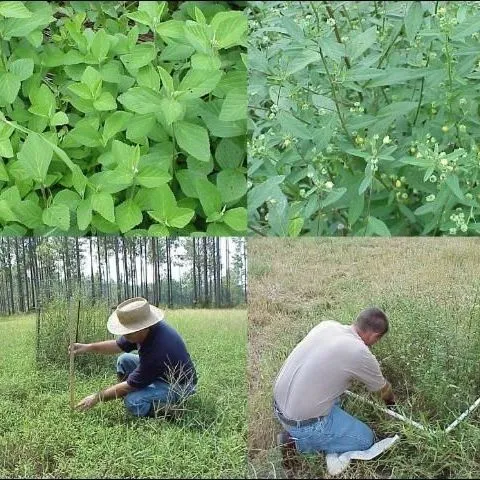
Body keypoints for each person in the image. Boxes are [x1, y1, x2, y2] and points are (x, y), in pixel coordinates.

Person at [273, 307, 395, 468]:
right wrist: (393, 408)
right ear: (375, 336)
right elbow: (384, 389)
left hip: (277, 405)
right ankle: (294, 443)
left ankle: (303, 433)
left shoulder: (327, 326)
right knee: (366, 439)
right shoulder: (360, 352)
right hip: (302, 424)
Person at [69, 297, 197, 417]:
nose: (124, 336)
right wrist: (87, 347)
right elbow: (117, 345)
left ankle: (173, 410)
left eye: (127, 332)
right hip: (161, 373)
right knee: (124, 359)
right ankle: (129, 394)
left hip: (180, 386)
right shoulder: (146, 330)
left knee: (133, 401)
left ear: (142, 328)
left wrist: (97, 397)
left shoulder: (157, 349)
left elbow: (130, 385)